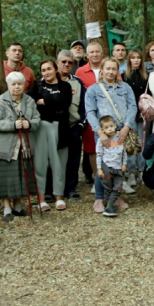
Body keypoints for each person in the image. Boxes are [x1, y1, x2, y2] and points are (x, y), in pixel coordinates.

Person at [85, 58, 137, 213]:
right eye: (107, 68)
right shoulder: (93, 90)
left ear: (117, 71)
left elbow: (132, 106)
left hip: (121, 132)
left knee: (118, 166)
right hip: (104, 135)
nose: (110, 72)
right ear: (102, 70)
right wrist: (100, 133)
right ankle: (99, 199)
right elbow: (90, 112)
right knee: (104, 167)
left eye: (113, 69)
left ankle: (116, 196)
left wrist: (127, 127)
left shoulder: (125, 87)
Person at [0, 71, 40, 222]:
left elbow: (37, 119)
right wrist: (13, 125)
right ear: (8, 85)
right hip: (6, 147)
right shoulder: (0, 101)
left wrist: (29, 123)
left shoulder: (29, 101)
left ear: (24, 85)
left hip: (24, 145)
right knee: (6, 178)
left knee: (21, 176)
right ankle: (6, 208)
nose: (17, 87)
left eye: (20, 84)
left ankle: (18, 206)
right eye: (14, 84)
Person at [29, 59, 72, 211]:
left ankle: (58, 196)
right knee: (40, 163)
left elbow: (64, 104)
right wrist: (51, 103)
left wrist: (44, 101)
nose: (46, 72)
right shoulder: (37, 86)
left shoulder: (65, 86)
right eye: (43, 70)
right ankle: (41, 199)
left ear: (55, 70)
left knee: (59, 162)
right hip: (41, 128)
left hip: (60, 128)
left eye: (49, 69)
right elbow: (31, 102)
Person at [56, 50, 86, 201]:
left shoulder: (77, 82)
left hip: (73, 125)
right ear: (57, 63)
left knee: (74, 159)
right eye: (64, 62)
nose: (67, 65)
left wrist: (80, 124)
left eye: (70, 62)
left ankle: (71, 188)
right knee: (55, 159)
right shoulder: (48, 80)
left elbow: (84, 105)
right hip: (54, 126)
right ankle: (55, 189)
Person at [76, 42, 105, 184]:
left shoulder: (110, 68)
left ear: (102, 53)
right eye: (91, 52)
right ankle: (97, 177)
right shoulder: (80, 72)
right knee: (92, 147)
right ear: (87, 55)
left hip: (109, 113)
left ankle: (114, 177)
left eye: (97, 52)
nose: (94, 54)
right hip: (90, 114)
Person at [123, 50, 149, 193]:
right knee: (132, 144)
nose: (136, 60)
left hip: (143, 114)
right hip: (129, 115)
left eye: (138, 58)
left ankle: (141, 171)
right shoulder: (124, 77)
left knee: (142, 143)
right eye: (133, 58)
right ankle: (131, 172)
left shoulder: (146, 76)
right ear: (129, 60)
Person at [96, 115, 127, 218]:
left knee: (118, 188)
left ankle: (110, 205)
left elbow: (124, 152)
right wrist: (99, 169)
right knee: (108, 187)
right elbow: (99, 155)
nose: (109, 129)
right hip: (107, 167)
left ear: (115, 125)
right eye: (106, 127)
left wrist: (124, 164)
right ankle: (109, 207)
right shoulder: (101, 141)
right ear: (102, 130)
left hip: (118, 168)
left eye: (111, 126)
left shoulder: (120, 137)